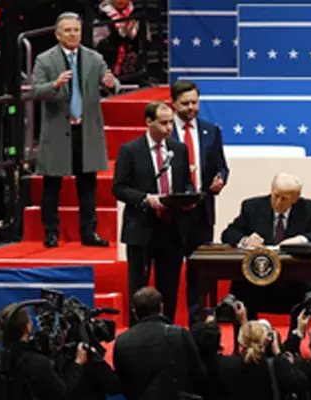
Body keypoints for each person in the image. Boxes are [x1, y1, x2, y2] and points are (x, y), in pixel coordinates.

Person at [31, 12, 120, 248]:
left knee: (87, 184)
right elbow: (36, 91)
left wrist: (112, 85)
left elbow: (112, 84)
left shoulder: (94, 58)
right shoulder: (44, 60)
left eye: (76, 30)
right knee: (52, 184)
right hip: (58, 129)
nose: (73, 34)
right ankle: (51, 232)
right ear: (58, 34)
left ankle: (89, 233)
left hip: (86, 129)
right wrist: (55, 85)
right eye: (68, 30)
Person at [112, 101, 194, 324]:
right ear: (149, 122)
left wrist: (188, 197)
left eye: (171, 123)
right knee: (138, 287)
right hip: (141, 227)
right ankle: (137, 333)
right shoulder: (130, 150)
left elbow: (186, 182)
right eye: (163, 123)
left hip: (172, 228)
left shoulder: (179, 149)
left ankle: (167, 330)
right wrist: (145, 199)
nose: (169, 128)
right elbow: (119, 187)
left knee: (170, 286)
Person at [221, 173, 311, 318]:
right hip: (259, 276)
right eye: (275, 196)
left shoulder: (310, 209)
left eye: (284, 198)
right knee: (242, 286)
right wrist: (245, 240)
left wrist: (301, 239)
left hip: (296, 279)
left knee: (309, 288)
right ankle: (249, 336)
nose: (278, 202)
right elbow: (229, 233)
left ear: (296, 198)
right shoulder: (252, 207)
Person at [171, 79, 230, 326]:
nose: (191, 108)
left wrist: (220, 180)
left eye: (195, 102)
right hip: (172, 214)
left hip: (202, 212)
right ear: (173, 104)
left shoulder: (211, 130)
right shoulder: (166, 132)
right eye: (185, 103)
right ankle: (168, 324)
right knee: (170, 271)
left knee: (199, 273)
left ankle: (197, 323)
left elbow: (222, 167)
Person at [113, 287, 206, 399]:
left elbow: (121, 383)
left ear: (135, 312)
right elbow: (199, 373)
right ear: (161, 307)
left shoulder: (122, 341)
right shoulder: (180, 334)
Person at [0, 303, 87, 400]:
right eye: (30, 320)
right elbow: (64, 393)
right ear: (28, 328)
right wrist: (78, 363)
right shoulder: (39, 364)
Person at [93, 0, 147, 85]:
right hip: (108, 75)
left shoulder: (137, 14)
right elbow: (99, 47)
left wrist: (133, 37)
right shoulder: (99, 17)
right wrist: (120, 36)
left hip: (135, 73)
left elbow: (147, 43)